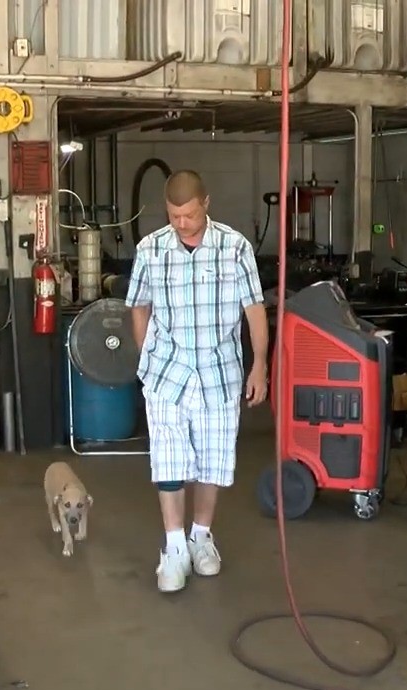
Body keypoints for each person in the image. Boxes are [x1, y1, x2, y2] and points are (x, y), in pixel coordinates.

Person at [125, 170, 268, 593]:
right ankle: (173, 548)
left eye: (188, 214)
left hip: (219, 374)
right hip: (167, 375)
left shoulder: (235, 247)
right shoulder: (150, 249)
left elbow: (255, 308)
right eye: (173, 215)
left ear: (206, 203)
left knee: (212, 462)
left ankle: (201, 537)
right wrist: (146, 356)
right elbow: (138, 307)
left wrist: (259, 364)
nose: (181, 222)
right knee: (167, 462)